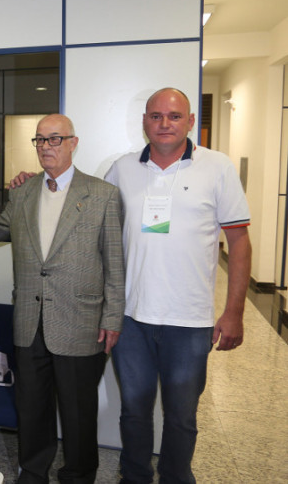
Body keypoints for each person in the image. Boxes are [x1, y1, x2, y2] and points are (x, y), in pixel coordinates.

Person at [105, 88, 251, 483]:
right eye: (156, 116)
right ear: (145, 122)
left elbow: (238, 242)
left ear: (189, 121)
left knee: (182, 415)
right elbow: (93, 221)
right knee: (133, 410)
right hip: (132, 317)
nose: (164, 124)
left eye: (174, 116)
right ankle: (135, 476)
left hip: (190, 321)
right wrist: (40, 181)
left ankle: (175, 477)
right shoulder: (122, 168)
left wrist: (234, 311)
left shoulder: (217, 167)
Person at [0, 114, 124, 483]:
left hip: (81, 323)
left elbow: (115, 263)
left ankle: (79, 476)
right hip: (29, 321)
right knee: (31, 409)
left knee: (78, 413)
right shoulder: (21, 193)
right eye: (39, 140)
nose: (45, 147)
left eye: (54, 139)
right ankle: (32, 473)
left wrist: (112, 319)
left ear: (73, 143)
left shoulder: (101, 194)